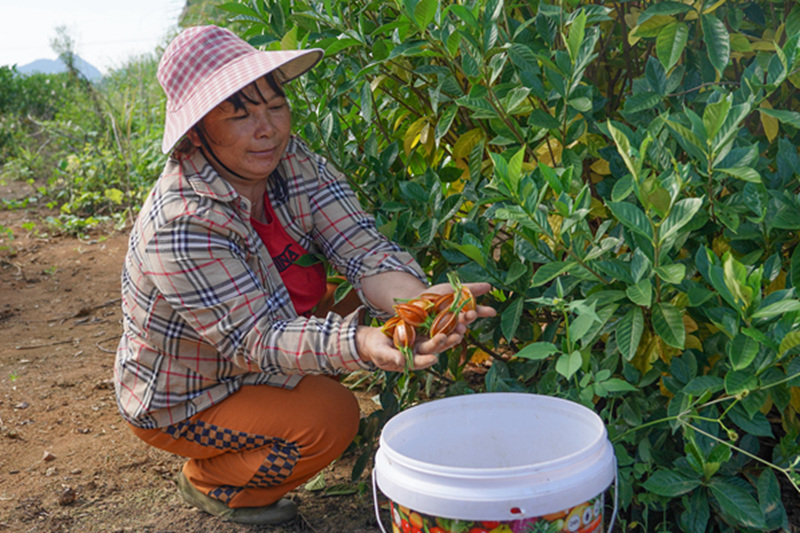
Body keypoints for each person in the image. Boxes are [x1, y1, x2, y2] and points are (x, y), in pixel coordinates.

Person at [114, 25, 495, 525]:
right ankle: (215, 482)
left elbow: (361, 248)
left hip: (261, 336)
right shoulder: (182, 223)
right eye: (240, 113)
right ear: (198, 129)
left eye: (274, 105)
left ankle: (266, 425)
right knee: (329, 418)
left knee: (340, 295)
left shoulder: (290, 162)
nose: (267, 128)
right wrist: (362, 343)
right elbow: (257, 338)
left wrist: (420, 304)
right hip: (191, 392)